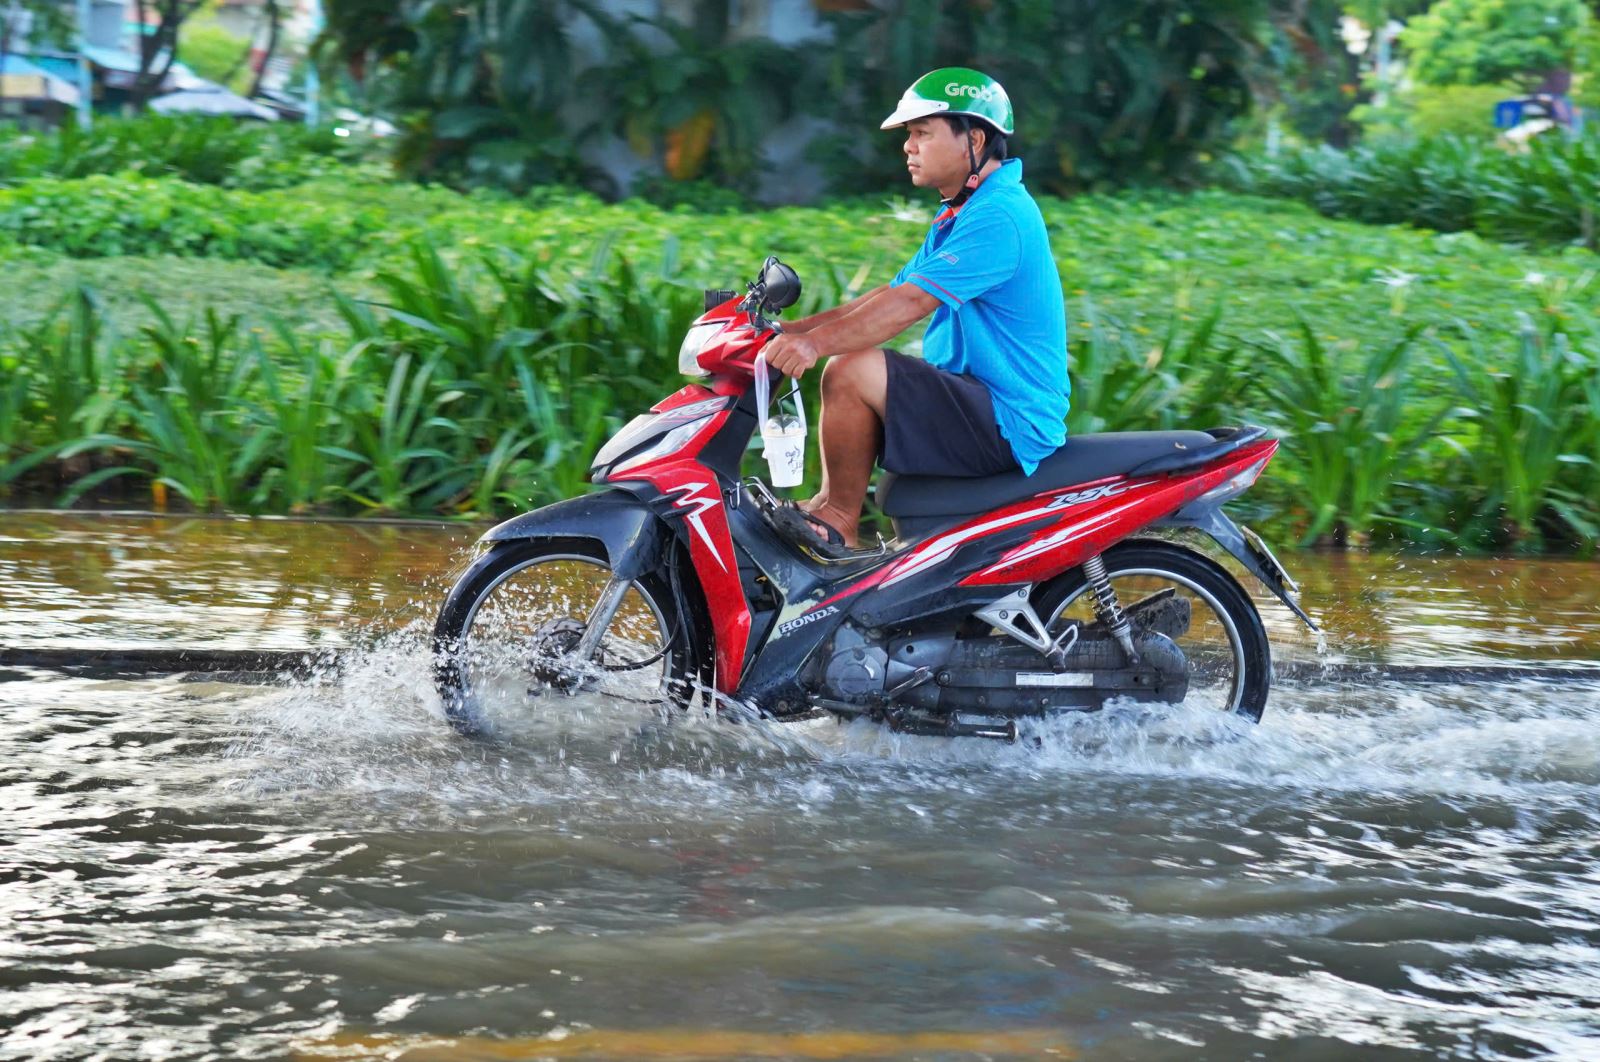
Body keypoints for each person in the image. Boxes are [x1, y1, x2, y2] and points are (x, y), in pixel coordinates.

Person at [762, 67, 1069, 553]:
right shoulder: (962, 211)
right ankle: (833, 510)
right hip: (977, 398)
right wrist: (787, 329)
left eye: (922, 133)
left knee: (851, 368)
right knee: (851, 361)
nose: (908, 146)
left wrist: (815, 346)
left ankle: (839, 517)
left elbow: (908, 304)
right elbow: (889, 292)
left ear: (974, 138)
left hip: (1008, 417)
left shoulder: (999, 216)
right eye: (909, 135)